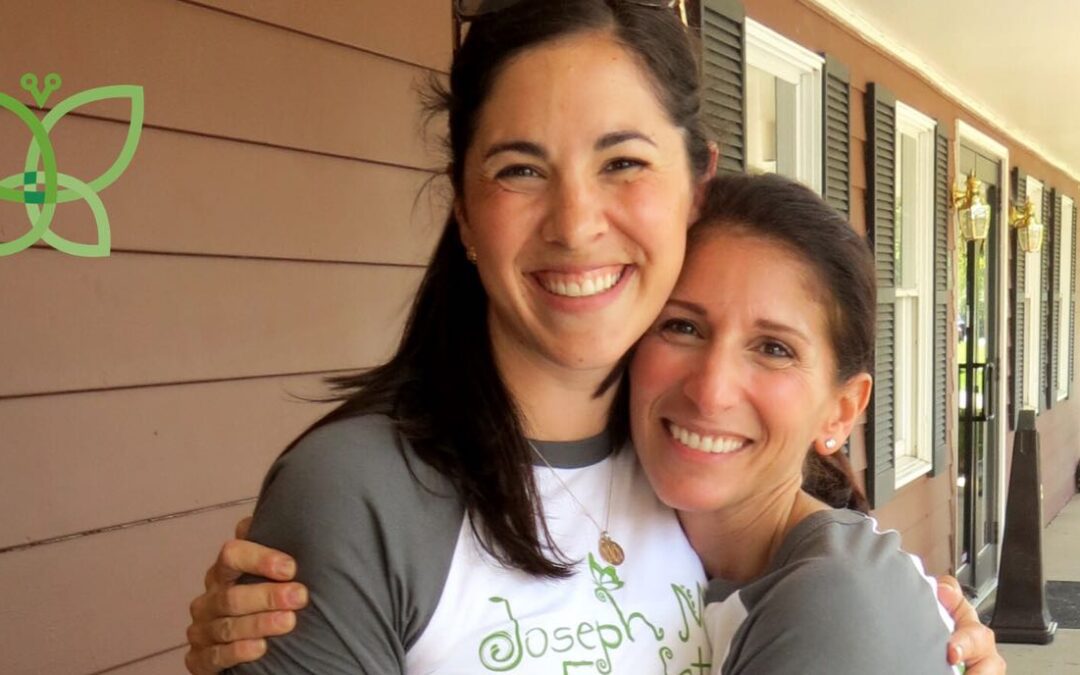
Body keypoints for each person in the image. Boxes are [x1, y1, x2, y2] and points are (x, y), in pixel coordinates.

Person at [182, 1, 1004, 673]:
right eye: (519, 168)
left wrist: (921, 631)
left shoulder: (689, 465)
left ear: (696, 186)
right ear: (464, 212)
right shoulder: (361, 494)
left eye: (622, 162)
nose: (575, 226)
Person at [631, 172, 962, 673]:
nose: (711, 390)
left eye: (773, 349)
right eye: (682, 326)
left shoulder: (835, 602)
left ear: (842, 410)